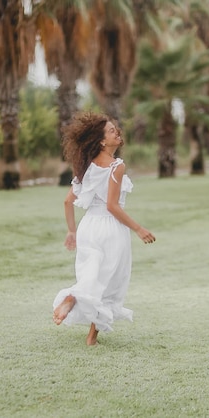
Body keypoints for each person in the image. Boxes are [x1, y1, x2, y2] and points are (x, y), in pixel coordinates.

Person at [52, 111, 156, 346]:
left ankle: (87, 328)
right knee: (110, 283)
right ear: (101, 141)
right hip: (111, 229)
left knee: (93, 275)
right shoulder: (116, 166)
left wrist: (71, 231)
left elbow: (68, 201)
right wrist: (138, 229)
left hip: (88, 227)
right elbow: (112, 206)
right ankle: (79, 311)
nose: (116, 132)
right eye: (111, 131)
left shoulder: (85, 166)